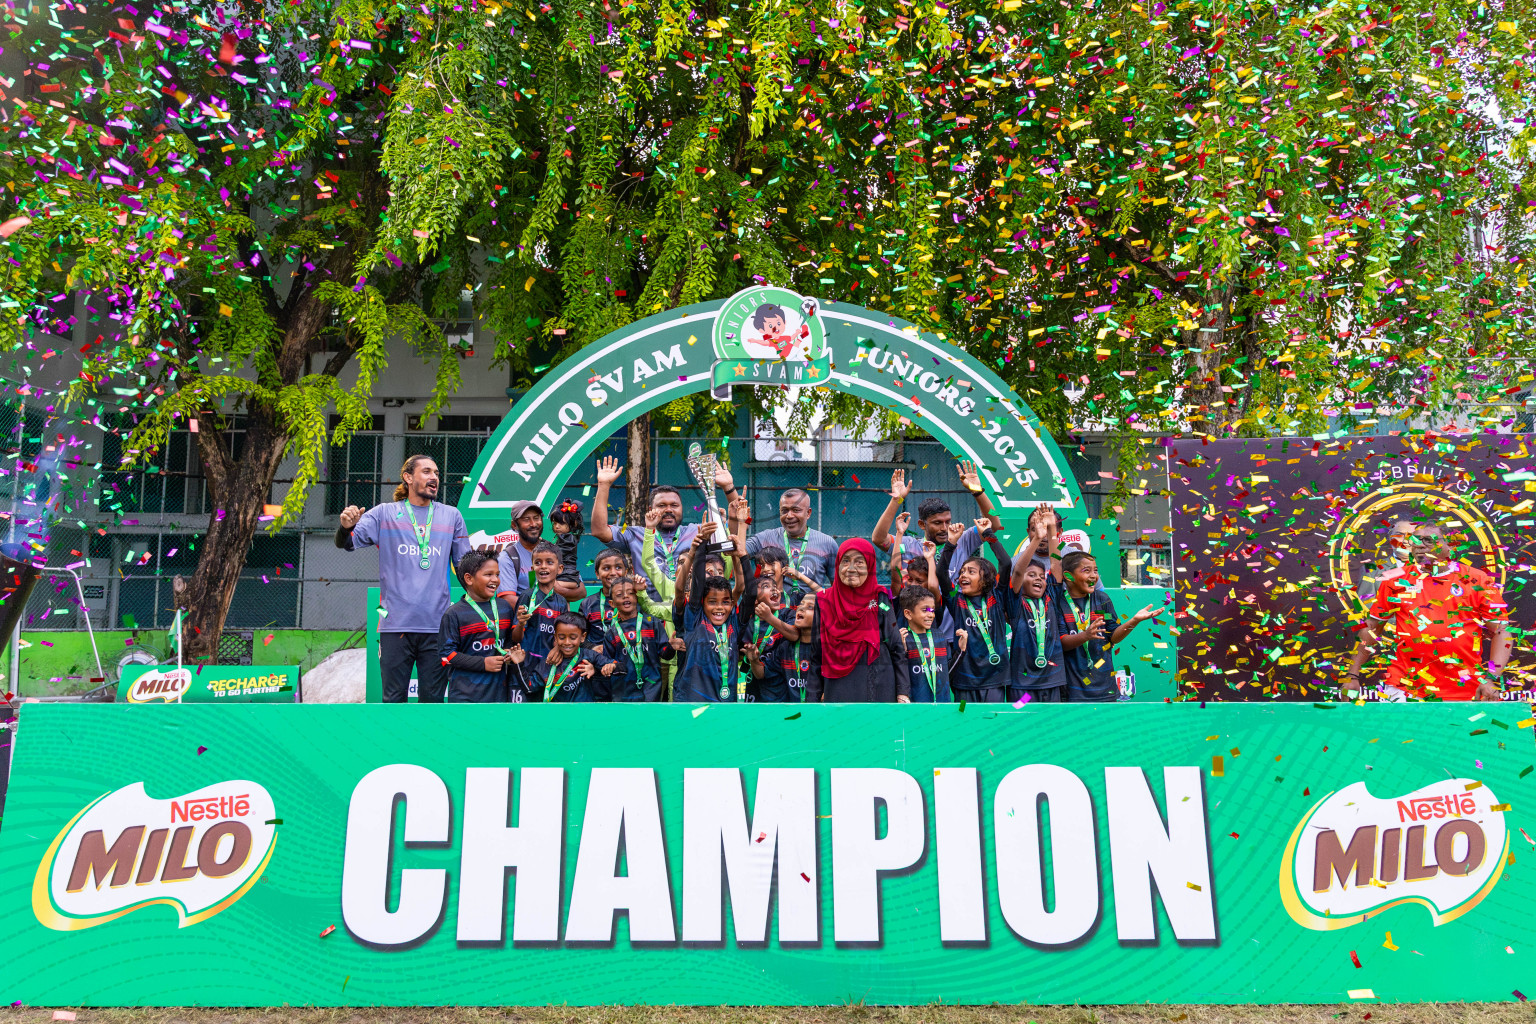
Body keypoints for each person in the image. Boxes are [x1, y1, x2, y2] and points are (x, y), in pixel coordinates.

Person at [337, 454, 472, 703]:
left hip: (437, 626)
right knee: (393, 701)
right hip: (395, 626)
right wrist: (346, 527)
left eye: (437, 473)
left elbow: (466, 569)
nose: (434, 478)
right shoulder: (384, 514)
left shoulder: (452, 516)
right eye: (427, 472)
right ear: (408, 477)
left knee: (432, 701)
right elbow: (346, 543)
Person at [1345, 521, 1512, 701]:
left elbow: (1502, 631)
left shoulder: (1477, 579)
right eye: (1416, 539)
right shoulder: (1395, 579)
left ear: (1450, 546)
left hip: (1465, 686)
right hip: (1404, 687)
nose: (1420, 545)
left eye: (1429, 540)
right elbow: (1372, 627)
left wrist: (1491, 678)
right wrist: (1352, 675)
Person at [593, 455, 735, 599]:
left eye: (674, 505)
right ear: (650, 508)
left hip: (689, 610)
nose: (668, 510)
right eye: (661, 505)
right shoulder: (634, 534)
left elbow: (735, 534)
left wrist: (729, 488)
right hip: (648, 613)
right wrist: (604, 485)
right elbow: (599, 530)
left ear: (681, 508)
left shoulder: (697, 531)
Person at [808, 538, 908, 702]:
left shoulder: (878, 598)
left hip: (877, 684)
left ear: (870, 566)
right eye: (845, 561)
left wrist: (902, 691)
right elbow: (816, 654)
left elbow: (896, 647)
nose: (851, 569)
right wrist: (812, 698)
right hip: (837, 686)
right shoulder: (824, 601)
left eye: (859, 562)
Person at [671, 503, 749, 701]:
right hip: (690, 689)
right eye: (708, 572)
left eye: (719, 572)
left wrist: (741, 525)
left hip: (722, 692)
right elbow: (680, 590)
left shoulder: (728, 613)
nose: (713, 575)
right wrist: (697, 548)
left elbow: (740, 587)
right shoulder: (693, 611)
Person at [1059, 550, 1161, 702]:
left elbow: (1113, 637)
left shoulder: (1102, 599)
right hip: (1072, 691)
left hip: (1106, 689)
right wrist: (1085, 635)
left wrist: (1134, 621)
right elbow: (1061, 643)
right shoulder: (1058, 602)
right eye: (1086, 571)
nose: (1094, 576)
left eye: (1096, 570)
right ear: (1068, 576)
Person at [871, 463, 1002, 572]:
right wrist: (896, 500)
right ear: (922, 524)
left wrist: (977, 491)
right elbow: (878, 539)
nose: (944, 528)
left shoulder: (962, 541)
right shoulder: (908, 545)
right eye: (937, 523)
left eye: (948, 522)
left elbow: (994, 525)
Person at [938, 521, 1012, 703]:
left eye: (971, 572)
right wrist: (951, 543)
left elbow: (1006, 563)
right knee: (965, 720)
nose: (963, 575)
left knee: (992, 721)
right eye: (962, 572)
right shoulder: (957, 600)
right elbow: (941, 574)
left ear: (986, 577)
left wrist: (987, 533)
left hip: (994, 678)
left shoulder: (997, 596)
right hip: (964, 679)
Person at [438, 551, 513, 703]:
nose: (495, 580)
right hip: (465, 697)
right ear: (469, 578)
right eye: (488, 574)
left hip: (499, 695)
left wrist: (510, 653)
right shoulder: (454, 614)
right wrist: (483, 663)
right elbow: (447, 656)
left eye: (497, 574)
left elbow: (509, 641)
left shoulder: (504, 608)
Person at [743, 485, 840, 587]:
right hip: (775, 602)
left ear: (808, 513)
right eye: (784, 510)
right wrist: (739, 521)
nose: (789, 516)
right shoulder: (765, 538)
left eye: (796, 510)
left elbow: (837, 588)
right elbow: (739, 552)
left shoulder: (827, 544)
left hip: (813, 603)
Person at [510, 611, 616, 702]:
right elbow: (528, 687)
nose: (567, 642)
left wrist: (597, 670)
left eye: (573, 637)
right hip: (558, 717)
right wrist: (518, 664)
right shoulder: (548, 664)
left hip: (584, 716)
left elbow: (620, 668)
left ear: (583, 637)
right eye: (561, 637)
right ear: (555, 637)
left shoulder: (589, 656)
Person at [494, 500, 586, 604]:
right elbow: (508, 600)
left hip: (558, 618)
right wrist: (545, 610)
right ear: (514, 525)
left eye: (536, 518)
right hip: (528, 619)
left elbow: (581, 591)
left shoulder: (555, 550)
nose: (533, 524)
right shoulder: (507, 558)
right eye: (526, 519)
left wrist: (556, 588)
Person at [600, 578, 673, 701]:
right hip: (623, 691)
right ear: (612, 604)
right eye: (619, 595)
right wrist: (609, 666)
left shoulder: (652, 623)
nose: (625, 597)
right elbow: (608, 661)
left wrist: (672, 646)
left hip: (651, 688)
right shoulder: (612, 633)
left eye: (630, 593)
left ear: (637, 597)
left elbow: (666, 655)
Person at [897, 584, 966, 703]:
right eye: (925, 610)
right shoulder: (903, 640)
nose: (931, 614)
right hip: (914, 709)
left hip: (941, 706)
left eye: (932, 610)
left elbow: (947, 673)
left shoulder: (939, 637)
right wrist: (901, 651)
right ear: (908, 613)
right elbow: (900, 676)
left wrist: (961, 651)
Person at [507, 540, 568, 664]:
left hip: (550, 665)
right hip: (527, 664)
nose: (543, 566)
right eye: (538, 563)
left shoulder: (562, 602)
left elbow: (562, 636)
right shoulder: (527, 596)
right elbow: (516, 638)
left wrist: (557, 648)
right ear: (532, 568)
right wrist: (520, 624)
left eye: (549, 562)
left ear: (560, 568)